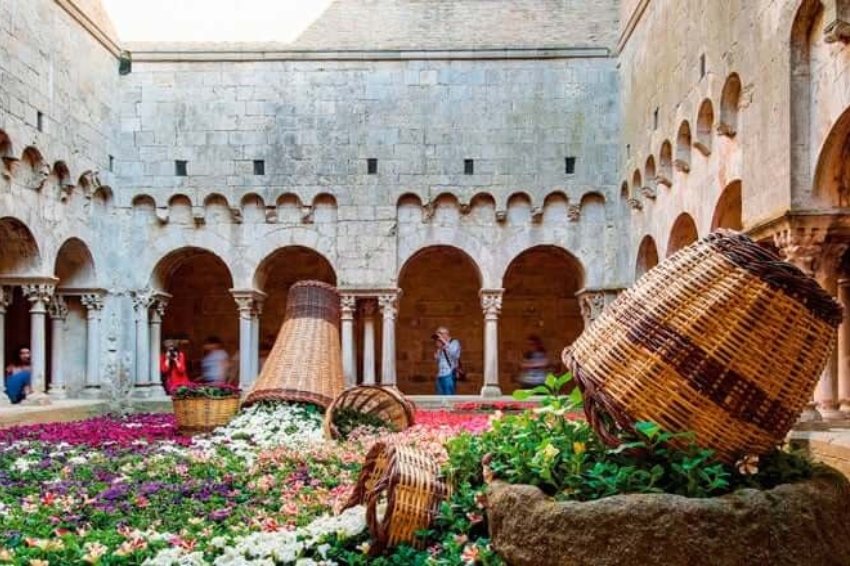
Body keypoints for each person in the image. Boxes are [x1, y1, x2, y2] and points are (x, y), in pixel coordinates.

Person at [433, 327, 461, 395]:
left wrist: (445, 343)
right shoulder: (441, 344)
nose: (438, 338)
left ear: (445, 334)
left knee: (449, 396)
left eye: (439, 335)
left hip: (449, 373)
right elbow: (437, 359)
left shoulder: (454, 342)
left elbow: (454, 354)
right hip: (440, 374)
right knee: (440, 396)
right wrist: (439, 349)